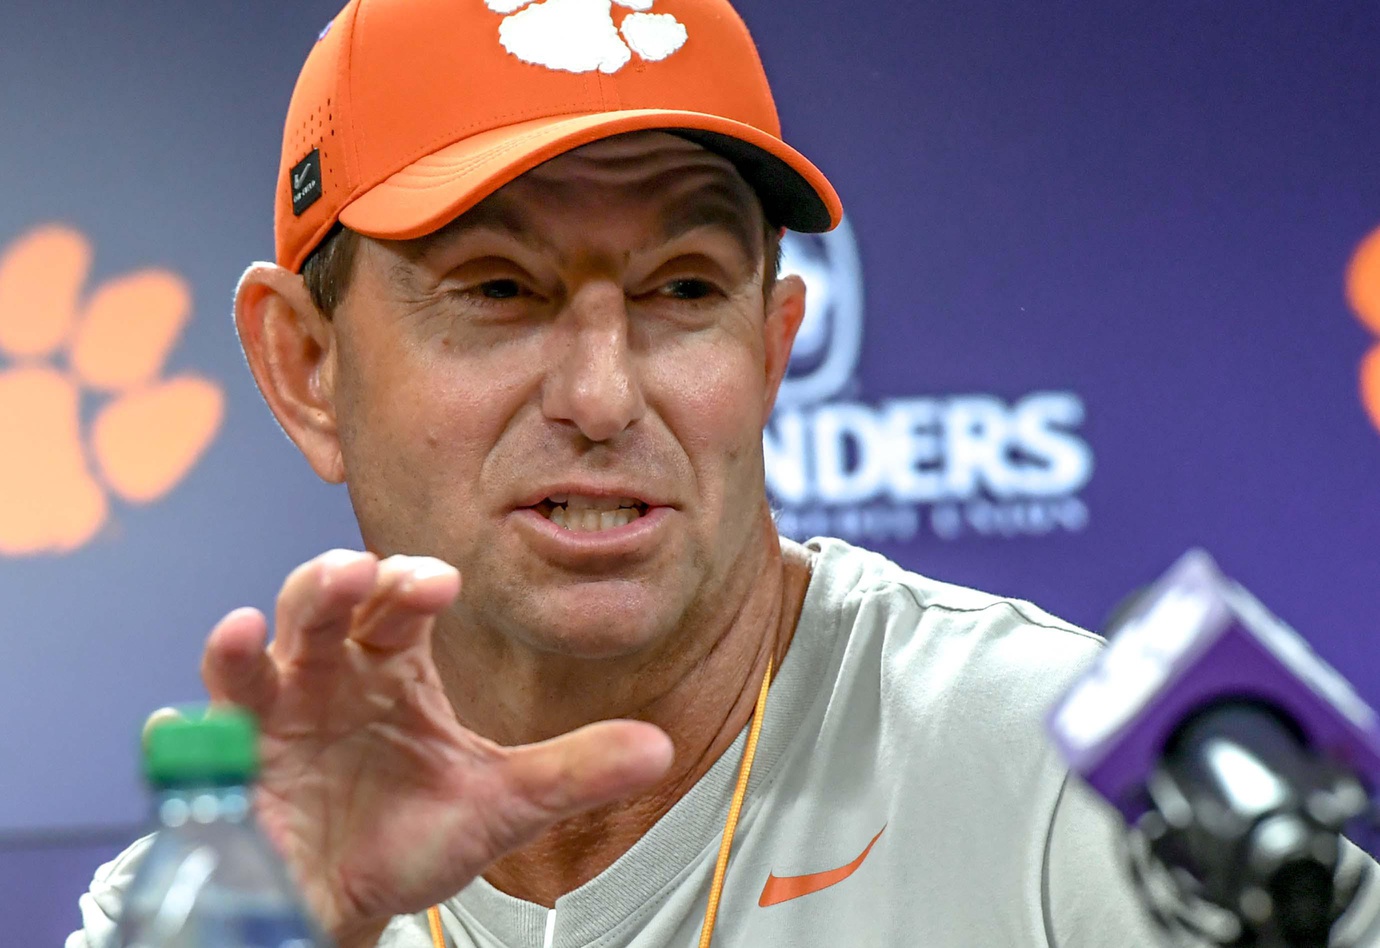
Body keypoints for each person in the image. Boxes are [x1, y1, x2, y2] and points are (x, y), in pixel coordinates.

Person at [64, 1, 1375, 946]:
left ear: (770, 344)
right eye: (499, 289)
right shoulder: (218, 903)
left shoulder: (1071, 792)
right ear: (303, 365)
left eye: (683, 288)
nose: (600, 394)